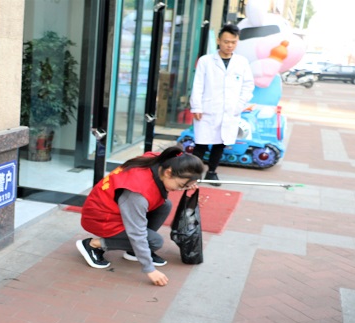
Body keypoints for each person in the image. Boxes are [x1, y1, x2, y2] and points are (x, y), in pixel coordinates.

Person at [76, 147, 204, 286]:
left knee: (164, 205)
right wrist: (150, 269)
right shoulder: (137, 193)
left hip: (113, 209)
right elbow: (137, 233)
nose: (180, 189)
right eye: (180, 185)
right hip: (101, 219)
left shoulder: (162, 161)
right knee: (154, 242)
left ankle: (133, 251)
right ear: (168, 172)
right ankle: (93, 245)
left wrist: (188, 183)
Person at [189, 23, 254, 185]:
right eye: (226, 41)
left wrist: (238, 105)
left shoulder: (242, 62)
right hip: (207, 109)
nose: (229, 45)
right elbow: (198, 85)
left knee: (220, 143)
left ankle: (212, 172)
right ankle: (193, 174)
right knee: (201, 144)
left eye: (233, 42)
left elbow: (248, 86)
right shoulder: (206, 61)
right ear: (218, 40)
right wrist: (197, 106)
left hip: (230, 110)